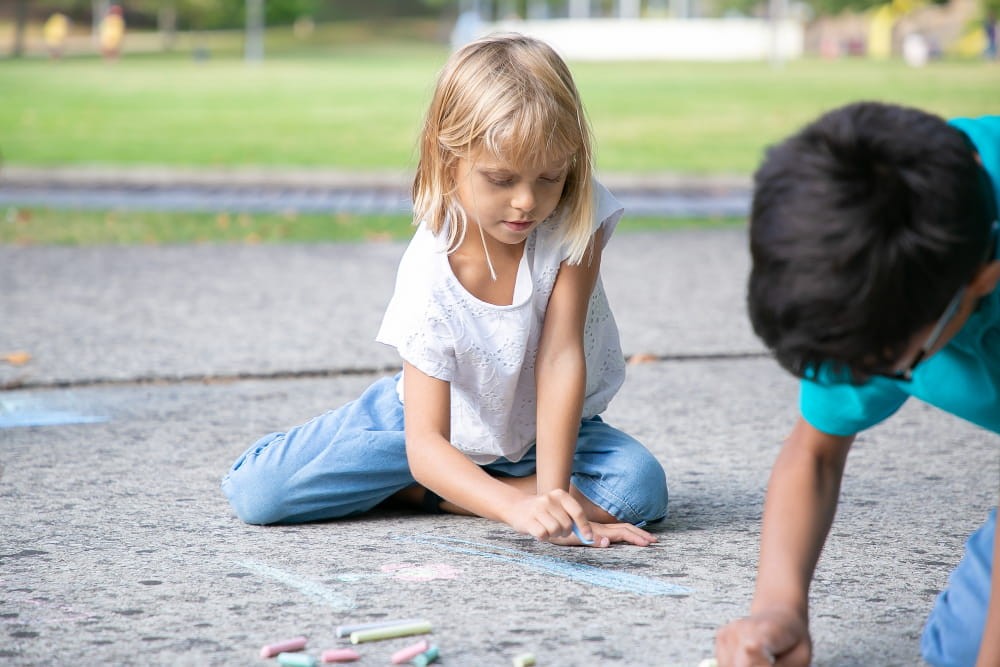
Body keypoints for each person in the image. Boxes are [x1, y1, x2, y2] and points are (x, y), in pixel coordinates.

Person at [222, 33, 668, 548]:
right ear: (448, 158)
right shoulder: (430, 271)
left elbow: (561, 356)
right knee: (259, 493)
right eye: (501, 179)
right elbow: (426, 441)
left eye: (549, 176)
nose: (527, 201)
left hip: (539, 434)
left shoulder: (575, 213)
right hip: (432, 424)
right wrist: (515, 508)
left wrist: (550, 500)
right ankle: (450, 485)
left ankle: (438, 494)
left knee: (639, 489)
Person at [715, 102, 1000, 666]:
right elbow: (815, 451)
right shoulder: (869, 232)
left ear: (981, 282)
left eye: (885, 365)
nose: (852, 382)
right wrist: (779, 608)